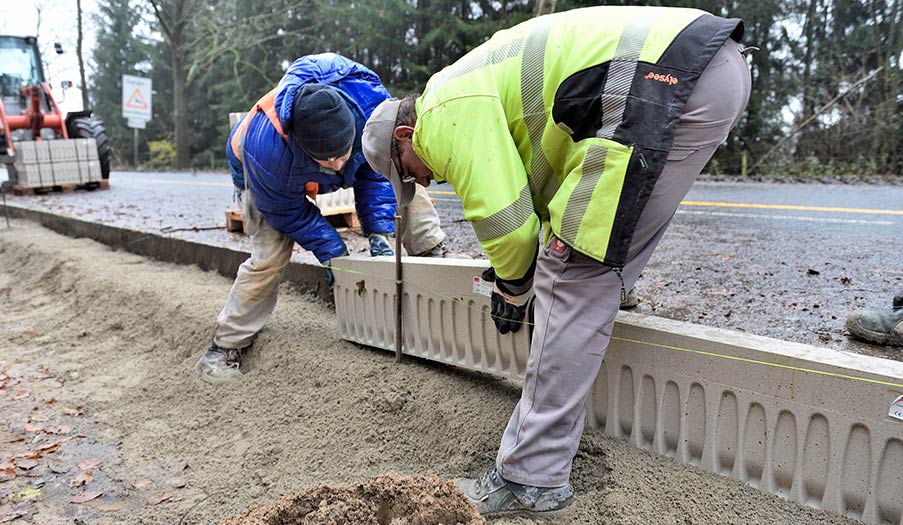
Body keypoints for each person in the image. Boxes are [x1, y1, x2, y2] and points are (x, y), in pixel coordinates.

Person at [363, 6, 750, 517]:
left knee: (569, 278)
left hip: (652, 85)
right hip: (704, 68)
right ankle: (612, 295)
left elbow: (508, 226)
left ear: (405, 139)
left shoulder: (440, 115)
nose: (424, 181)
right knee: (587, 253)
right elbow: (545, 193)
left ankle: (532, 477)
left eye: (409, 173)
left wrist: (514, 287)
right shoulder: (466, 83)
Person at [197, 53, 447, 384]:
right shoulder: (269, 154)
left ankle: (437, 263)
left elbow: (376, 172)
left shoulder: (369, 103)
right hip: (256, 171)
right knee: (270, 255)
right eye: (329, 160)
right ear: (304, 146)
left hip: (313, 151)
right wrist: (335, 255)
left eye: (344, 153)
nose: (340, 164)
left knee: (404, 176)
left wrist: (381, 233)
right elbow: (290, 214)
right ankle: (225, 347)